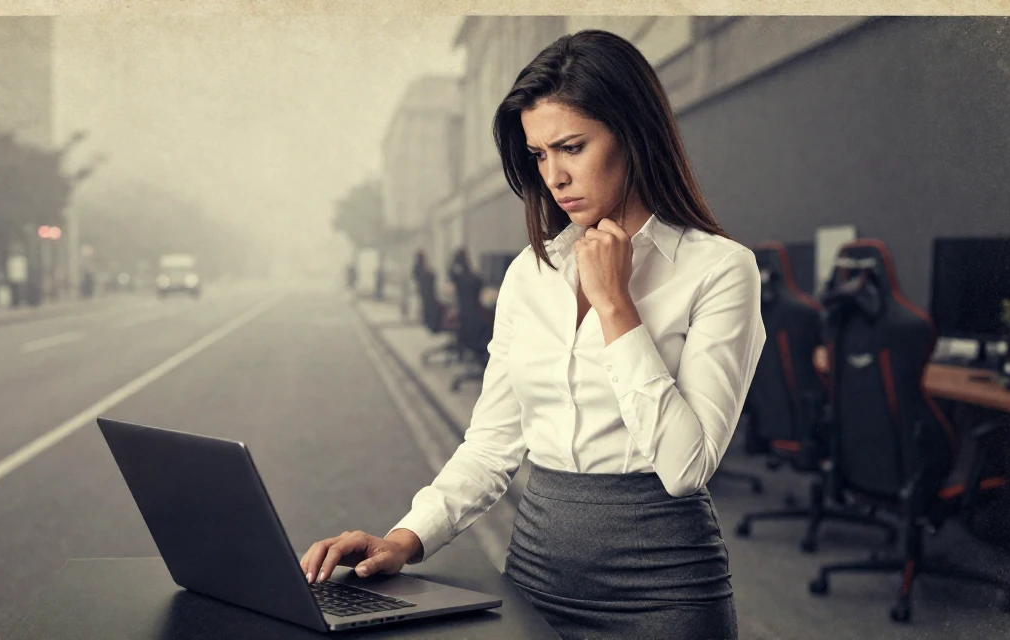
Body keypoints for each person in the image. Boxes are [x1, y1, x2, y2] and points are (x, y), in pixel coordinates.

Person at [301, 29, 765, 640]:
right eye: (539, 155)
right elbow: (493, 444)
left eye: (572, 147)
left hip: (666, 596)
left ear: (634, 134)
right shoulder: (533, 270)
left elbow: (687, 467)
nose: (554, 176)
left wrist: (614, 303)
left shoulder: (720, 270)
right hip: (533, 582)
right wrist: (404, 539)